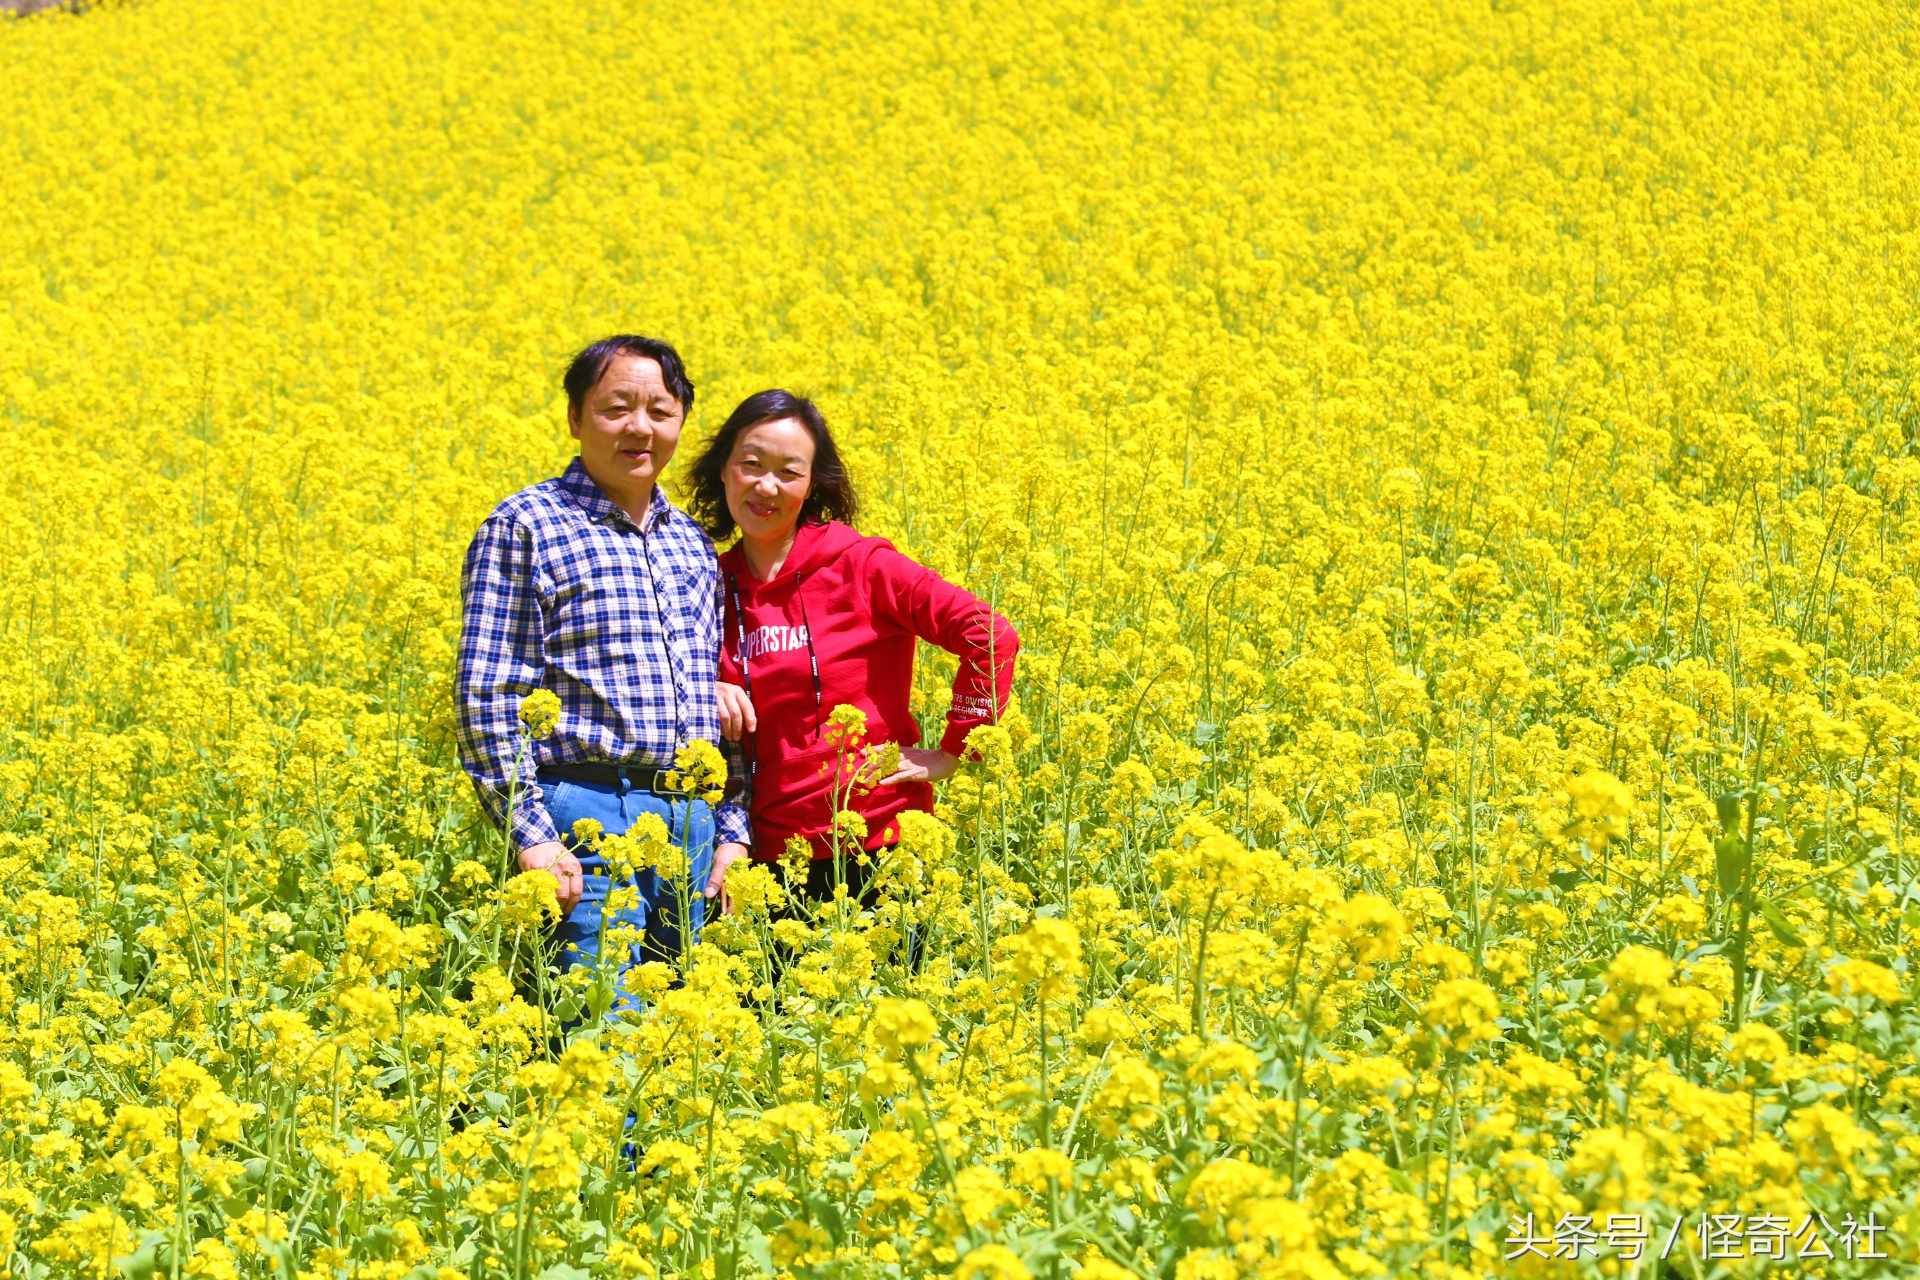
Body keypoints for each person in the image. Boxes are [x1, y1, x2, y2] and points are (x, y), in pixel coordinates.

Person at [455, 334, 753, 999]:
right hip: (584, 814)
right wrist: (532, 836)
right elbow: (489, 693)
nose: (639, 427)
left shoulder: (692, 543)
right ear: (575, 418)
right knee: (597, 1030)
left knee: (683, 1042)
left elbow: (711, 707)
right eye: (617, 407)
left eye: (659, 410)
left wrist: (732, 830)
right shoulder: (526, 525)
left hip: (690, 822)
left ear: (680, 421)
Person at [685, 389, 1018, 908]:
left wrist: (954, 751)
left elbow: (988, 634)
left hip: (881, 845)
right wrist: (706, 688)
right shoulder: (708, 584)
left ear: (813, 484)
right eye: (750, 464)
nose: (766, 486)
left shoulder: (863, 566)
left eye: (789, 472)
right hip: (768, 857)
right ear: (723, 470)